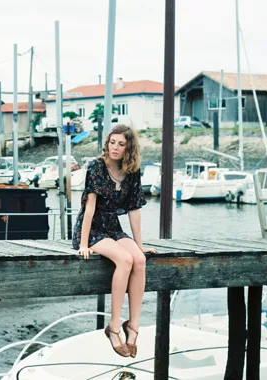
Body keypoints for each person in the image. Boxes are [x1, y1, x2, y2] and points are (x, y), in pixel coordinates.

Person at [72, 124, 157, 358]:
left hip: (113, 227)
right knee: (124, 259)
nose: (115, 148)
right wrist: (83, 243)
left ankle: (134, 326)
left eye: (121, 144)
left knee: (139, 259)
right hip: (92, 229)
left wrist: (139, 243)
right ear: (107, 143)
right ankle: (115, 326)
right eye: (112, 142)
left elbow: (134, 209)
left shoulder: (132, 170)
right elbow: (89, 208)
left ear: (129, 147)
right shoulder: (97, 167)